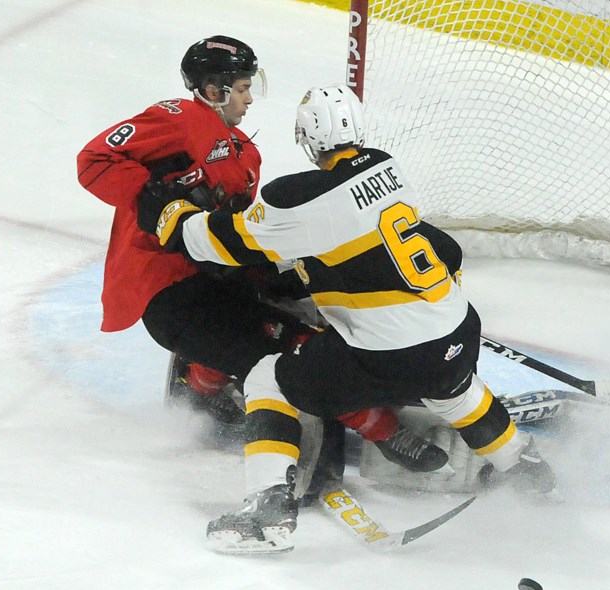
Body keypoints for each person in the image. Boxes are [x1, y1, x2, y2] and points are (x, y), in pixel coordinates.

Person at [152, 82, 558, 554]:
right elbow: (414, 246)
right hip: (457, 330)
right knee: (453, 388)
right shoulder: (388, 167)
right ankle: (527, 471)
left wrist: (172, 215)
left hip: (388, 356)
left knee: (270, 378)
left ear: (306, 138)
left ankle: (267, 511)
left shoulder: (297, 197)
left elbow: (222, 242)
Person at [76, 37, 448, 476]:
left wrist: (279, 272)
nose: (250, 98)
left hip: (216, 280)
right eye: (243, 86)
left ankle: (200, 387)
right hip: (169, 292)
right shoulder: (176, 118)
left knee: (304, 316)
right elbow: (93, 159)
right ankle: (385, 432)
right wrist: (155, 200)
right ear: (214, 89)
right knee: (294, 352)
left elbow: (239, 237)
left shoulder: (246, 154)